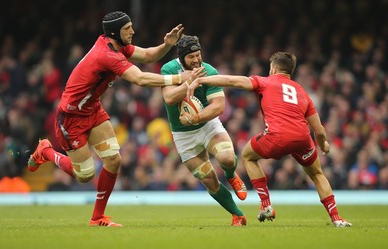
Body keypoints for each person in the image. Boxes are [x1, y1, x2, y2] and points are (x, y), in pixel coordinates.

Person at [27, 11, 203, 227]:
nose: (133, 31)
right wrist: (179, 78)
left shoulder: (115, 46)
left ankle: (97, 218)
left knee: (114, 159)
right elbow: (139, 78)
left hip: (92, 109)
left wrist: (167, 45)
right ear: (114, 32)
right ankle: (45, 151)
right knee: (85, 174)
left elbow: (148, 56)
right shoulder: (107, 55)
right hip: (71, 117)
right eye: (128, 28)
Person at [187, 51, 352, 228]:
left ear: (273, 68)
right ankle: (337, 218)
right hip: (303, 139)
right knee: (318, 175)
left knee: (248, 156)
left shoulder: (265, 81)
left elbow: (233, 81)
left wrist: (201, 80)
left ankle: (266, 205)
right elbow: (319, 130)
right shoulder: (302, 92)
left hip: (277, 136)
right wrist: (324, 145)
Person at [160, 35, 247, 226]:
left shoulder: (209, 71)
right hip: (183, 135)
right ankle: (237, 215)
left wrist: (196, 117)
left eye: (198, 55)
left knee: (226, 158)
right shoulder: (169, 70)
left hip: (208, 125)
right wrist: (188, 83)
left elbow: (219, 106)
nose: (197, 60)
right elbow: (169, 98)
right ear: (182, 58)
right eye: (191, 57)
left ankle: (232, 175)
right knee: (209, 179)